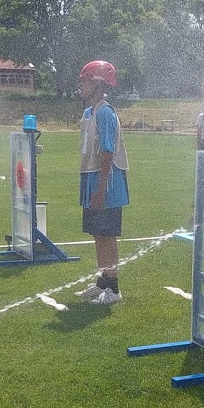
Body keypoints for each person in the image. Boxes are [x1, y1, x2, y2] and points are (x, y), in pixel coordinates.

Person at [73, 60, 129, 306]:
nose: (80, 86)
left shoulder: (105, 112)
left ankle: (114, 288)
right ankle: (102, 282)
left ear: (97, 84)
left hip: (107, 183)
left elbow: (107, 152)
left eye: (84, 81)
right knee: (97, 233)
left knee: (107, 235)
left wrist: (99, 190)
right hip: (91, 178)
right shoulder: (88, 113)